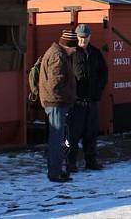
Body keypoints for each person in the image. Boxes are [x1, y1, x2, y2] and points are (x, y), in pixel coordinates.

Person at [67, 24, 108, 172]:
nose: (83, 40)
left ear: (90, 37)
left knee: (91, 133)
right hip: (77, 102)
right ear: (77, 37)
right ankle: (71, 162)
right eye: (80, 37)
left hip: (93, 100)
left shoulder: (96, 53)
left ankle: (91, 160)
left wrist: (99, 89)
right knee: (73, 134)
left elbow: (104, 72)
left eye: (85, 37)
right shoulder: (72, 54)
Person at [39, 29, 78, 183]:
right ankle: (55, 172)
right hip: (56, 103)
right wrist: (70, 96)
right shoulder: (58, 56)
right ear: (68, 45)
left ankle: (58, 170)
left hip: (55, 102)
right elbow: (55, 84)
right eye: (74, 48)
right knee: (57, 139)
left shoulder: (55, 53)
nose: (75, 51)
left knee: (61, 138)